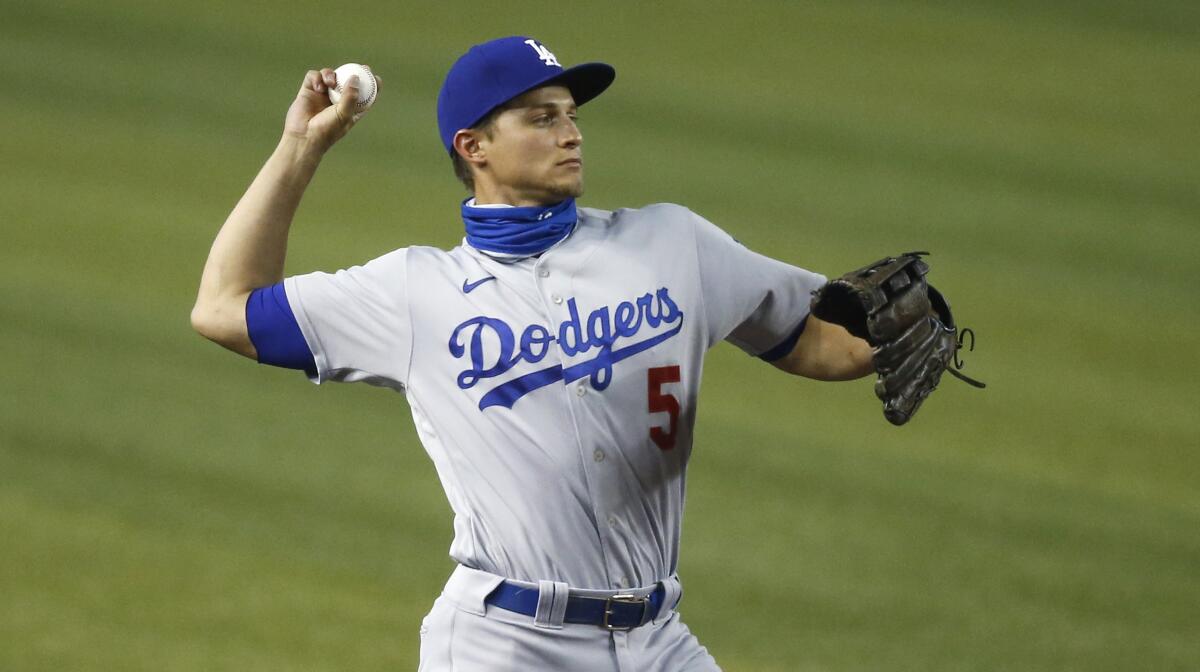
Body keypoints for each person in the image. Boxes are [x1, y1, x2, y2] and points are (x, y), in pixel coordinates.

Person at [192, 36, 873, 672]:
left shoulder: (674, 245)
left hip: (659, 642)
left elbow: (815, 340)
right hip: (507, 645)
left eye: (570, 115)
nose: (571, 132)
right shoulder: (412, 293)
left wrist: (891, 336)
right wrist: (300, 145)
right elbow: (224, 308)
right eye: (541, 118)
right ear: (475, 146)